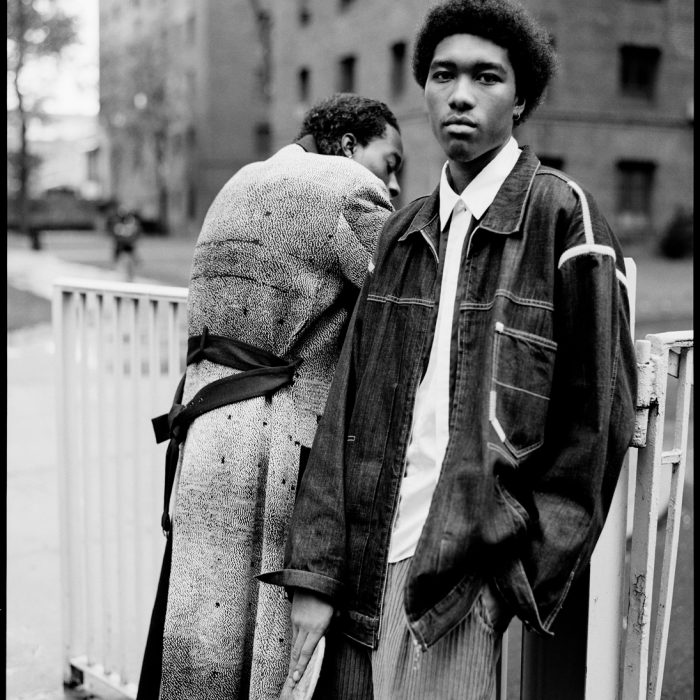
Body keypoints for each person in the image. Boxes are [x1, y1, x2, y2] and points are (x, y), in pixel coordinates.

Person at [261, 2, 638, 698]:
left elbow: (596, 423)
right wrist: (316, 571)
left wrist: (512, 580)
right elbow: (347, 408)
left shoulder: (564, 218)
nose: (460, 95)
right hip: (362, 576)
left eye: (486, 77)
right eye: (443, 75)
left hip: (459, 585)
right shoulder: (400, 233)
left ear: (520, 98)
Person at [135, 92, 403, 700]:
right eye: (389, 163)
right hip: (273, 440)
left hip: (205, 428)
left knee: (197, 640)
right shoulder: (347, 188)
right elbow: (407, 299)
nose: (392, 183)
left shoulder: (240, 182)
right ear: (348, 145)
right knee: (269, 652)